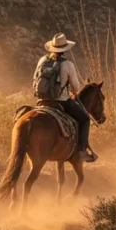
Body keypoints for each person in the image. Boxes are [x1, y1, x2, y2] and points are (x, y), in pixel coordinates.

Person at [34, 33, 96, 163]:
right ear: (65, 49)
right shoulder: (67, 64)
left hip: (42, 101)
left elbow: (35, 79)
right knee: (84, 119)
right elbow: (76, 87)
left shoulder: (42, 60)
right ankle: (82, 151)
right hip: (61, 101)